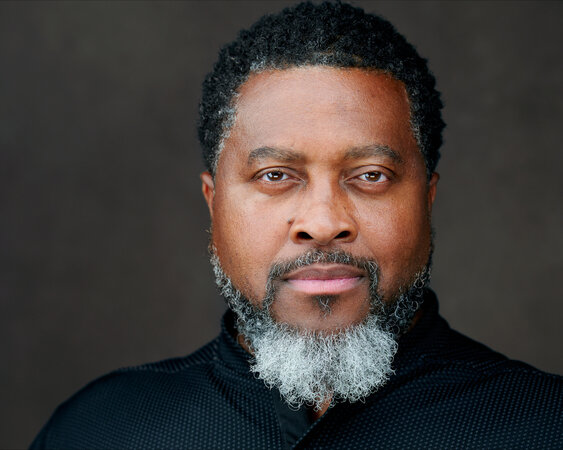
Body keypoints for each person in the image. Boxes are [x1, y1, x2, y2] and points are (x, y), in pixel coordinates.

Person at [31, 2, 562, 448]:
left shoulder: (545, 427)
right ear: (213, 204)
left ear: (427, 198)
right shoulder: (98, 431)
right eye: (276, 175)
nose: (324, 223)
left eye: (371, 175)